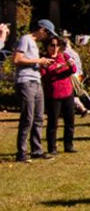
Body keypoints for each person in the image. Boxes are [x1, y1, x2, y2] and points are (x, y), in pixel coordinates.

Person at [13, 19, 59, 162]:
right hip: (26, 82)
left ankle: (36, 151)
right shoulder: (25, 39)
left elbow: (31, 62)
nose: (47, 37)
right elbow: (17, 59)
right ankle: (21, 153)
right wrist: (38, 61)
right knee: (28, 117)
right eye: (47, 33)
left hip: (36, 81)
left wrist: (43, 64)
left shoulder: (33, 44)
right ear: (41, 29)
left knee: (38, 117)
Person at [40, 36, 78, 155]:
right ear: (47, 46)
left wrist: (70, 66)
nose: (55, 48)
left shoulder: (64, 56)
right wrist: (58, 68)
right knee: (53, 122)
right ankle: (52, 147)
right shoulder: (44, 59)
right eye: (52, 45)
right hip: (53, 95)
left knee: (70, 121)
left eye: (57, 45)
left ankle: (69, 145)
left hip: (67, 92)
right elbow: (45, 74)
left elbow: (73, 69)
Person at [61, 38, 90, 117]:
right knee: (71, 94)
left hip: (72, 76)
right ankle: (82, 109)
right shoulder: (74, 52)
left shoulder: (64, 53)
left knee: (68, 94)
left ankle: (81, 109)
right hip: (79, 75)